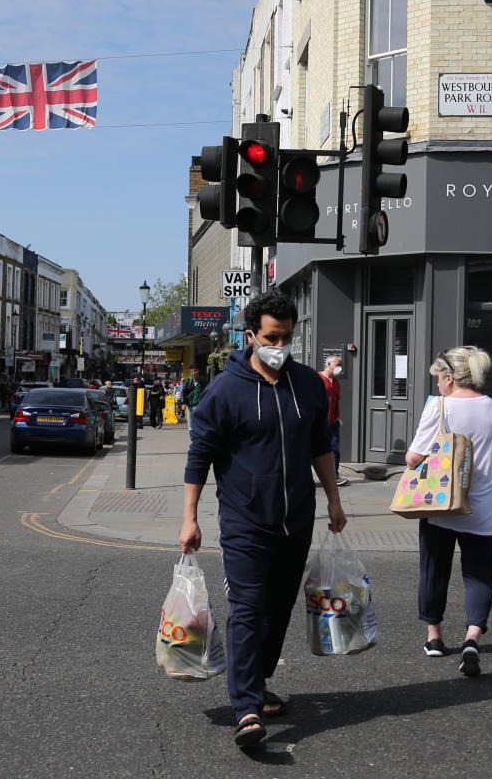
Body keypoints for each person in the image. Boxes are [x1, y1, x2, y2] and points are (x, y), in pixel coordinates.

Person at [181, 291, 347, 749]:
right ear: (251, 336)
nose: (281, 344)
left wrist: (334, 500)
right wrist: (189, 517)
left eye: (288, 336)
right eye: (273, 337)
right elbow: (200, 456)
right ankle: (247, 707)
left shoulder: (308, 385)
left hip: (297, 520)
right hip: (244, 523)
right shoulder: (224, 390)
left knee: (278, 610)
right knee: (249, 611)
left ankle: (258, 680)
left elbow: (320, 447)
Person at [406, 347, 492, 677]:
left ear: (449, 377)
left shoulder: (439, 407)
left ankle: (435, 638)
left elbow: (413, 458)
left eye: (439, 377)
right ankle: (472, 639)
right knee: (480, 573)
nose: (438, 384)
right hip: (481, 506)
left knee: (434, 569)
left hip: (440, 505)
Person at [318, 355, 348, 486]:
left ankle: (334, 475)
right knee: (312, 450)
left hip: (332, 423)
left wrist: (336, 417)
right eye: (337, 365)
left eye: (340, 365)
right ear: (329, 364)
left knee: (334, 450)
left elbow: (336, 402)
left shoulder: (336, 383)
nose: (339, 368)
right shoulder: (317, 379)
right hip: (318, 423)